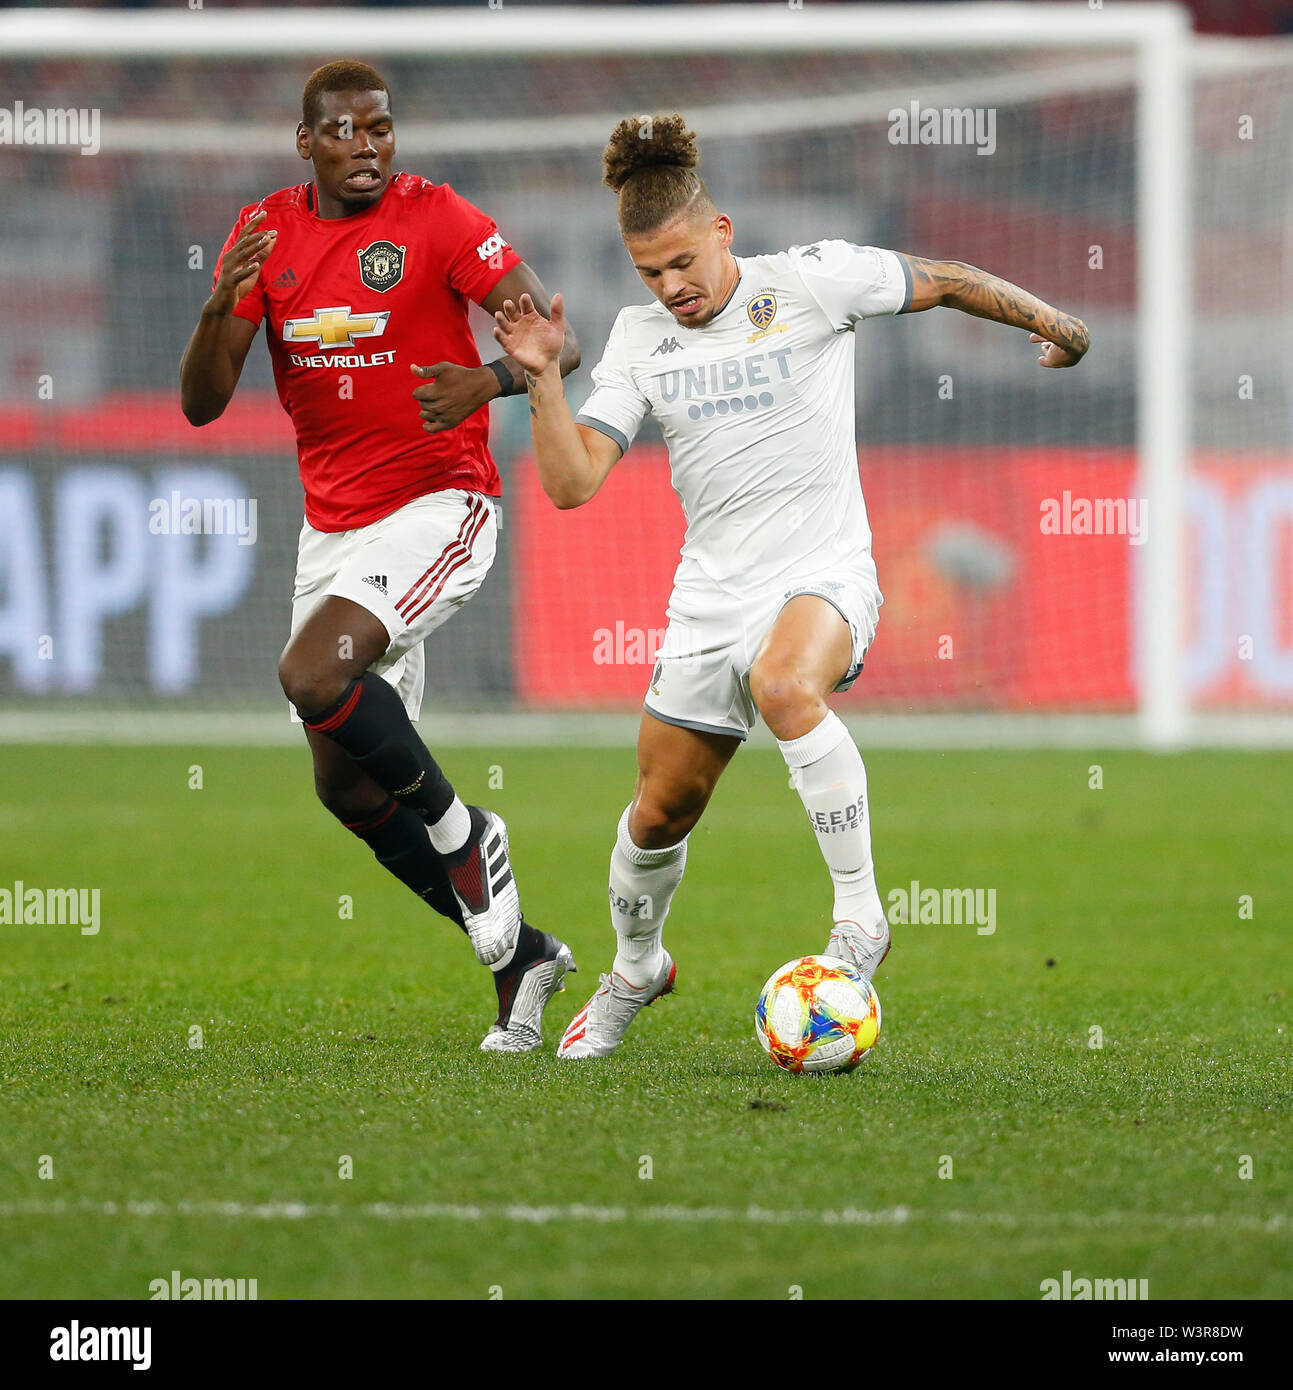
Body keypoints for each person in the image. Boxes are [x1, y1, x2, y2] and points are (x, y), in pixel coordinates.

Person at [491, 114, 1088, 1059]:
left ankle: (860, 920)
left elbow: (942, 280)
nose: (671, 286)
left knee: (783, 685)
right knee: (658, 814)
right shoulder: (638, 337)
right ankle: (636, 968)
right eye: (650, 272)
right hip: (708, 600)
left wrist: (1055, 323)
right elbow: (570, 486)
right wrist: (540, 383)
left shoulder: (808, 280)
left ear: (721, 231)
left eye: (683, 262)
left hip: (824, 574)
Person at [179, 60, 582, 1052]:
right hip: (336, 532)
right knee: (346, 786)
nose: (369, 147)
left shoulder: (438, 218)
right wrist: (211, 309)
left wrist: (489, 380)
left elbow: (556, 342)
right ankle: (520, 955)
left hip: (442, 507)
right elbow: (201, 401)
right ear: (305, 142)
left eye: (383, 130)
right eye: (348, 132)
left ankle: (463, 830)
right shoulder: (263, 235)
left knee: (312, 672)